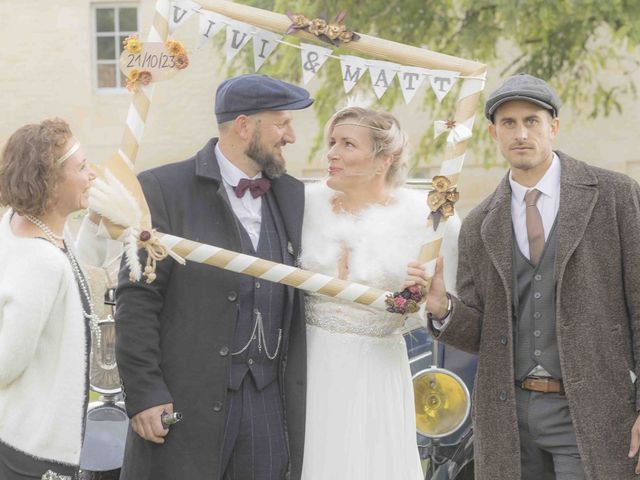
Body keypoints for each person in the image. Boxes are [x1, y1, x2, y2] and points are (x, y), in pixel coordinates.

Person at [406, 73, 640, 479]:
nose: (521, 133)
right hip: (509, 417)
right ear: (494, 133)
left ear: (553, 126)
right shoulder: (480, 223)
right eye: (509, 123)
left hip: (593, 410)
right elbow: (480, 330)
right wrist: (442, 306)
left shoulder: (615, 196)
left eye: (531, 120)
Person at [115, 74, 313, 480]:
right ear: (244, 126)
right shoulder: (161, 189)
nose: (290, 136)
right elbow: (136, 300)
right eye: (281, 123)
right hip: (185, 403)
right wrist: (145, 393)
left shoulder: (294, 196)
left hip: (268, 405)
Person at [299, 106, 459, 479]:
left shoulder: (430, 220)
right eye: (332, 143)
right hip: (304, 362)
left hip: (375, 367)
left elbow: (442, 308)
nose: (332, 153)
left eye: (348, 144)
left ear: (383, 158)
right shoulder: (304, 205)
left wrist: (420, 299)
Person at [0, 118, 97, 479]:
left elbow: (73, 277)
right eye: (82, 167)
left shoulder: (24, 224)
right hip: (32, 450)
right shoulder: (40, 262)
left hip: (22, 437)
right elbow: (5, 364)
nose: (92, 176)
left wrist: (98, 224)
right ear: (51, 183)